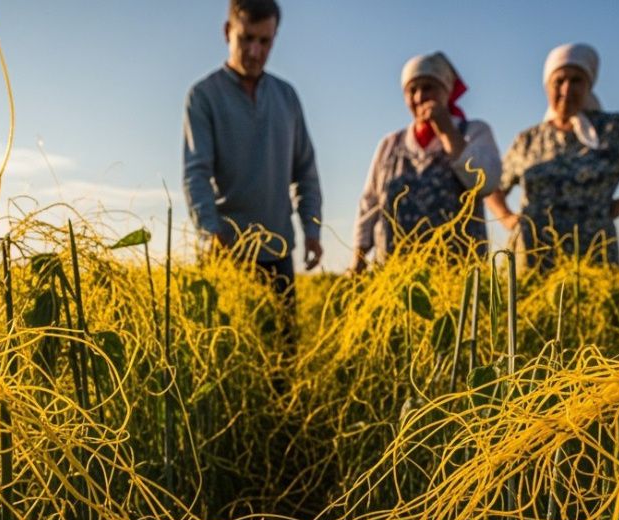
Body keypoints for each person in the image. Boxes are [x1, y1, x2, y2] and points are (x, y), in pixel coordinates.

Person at [486, 43, 619, 271]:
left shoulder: (614, 130)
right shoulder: (528, 140)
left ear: (589, 85)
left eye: (577, 80)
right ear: (547, 86)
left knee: (591, 305)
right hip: (532, 256)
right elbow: (492, 187)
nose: (566, 89)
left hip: (593, 255)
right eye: (559, 81)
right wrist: (506, 217)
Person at [182, 0, 322, 316]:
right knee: (226, 357)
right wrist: (211, 232)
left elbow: (305, 171)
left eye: (265, 41)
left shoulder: (287, 97)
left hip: (278, 253)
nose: (255, 51)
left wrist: (311, 231)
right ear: (227, 31)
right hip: (226, 253)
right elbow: (196, 174)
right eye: (246, 39)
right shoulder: (203, 96)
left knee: (282, 357)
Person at [352, 52, 501, 273]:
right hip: (395, 276)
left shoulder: (473, 132)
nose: (420, 96)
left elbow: (485, 183)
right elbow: (369, 204)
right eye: (412, 90)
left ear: (447, 91)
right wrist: (359, 259)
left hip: (458, 275)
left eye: (429, 87)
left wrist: (447, 132)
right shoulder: (390, 144)